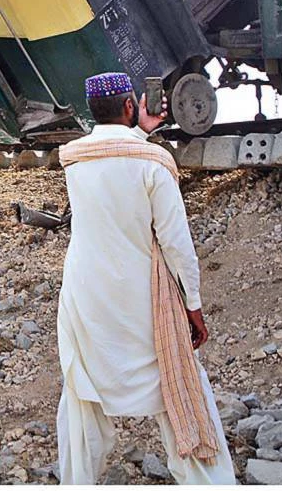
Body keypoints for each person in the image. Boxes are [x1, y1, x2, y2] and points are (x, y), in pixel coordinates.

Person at [55, 72, 233, 485]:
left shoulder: (75, 159)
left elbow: (114, 153)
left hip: (85, 296)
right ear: (131, 106)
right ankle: (207, 478)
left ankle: (77, 480)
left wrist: (140, 131)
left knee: (82, 396)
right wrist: (193, 304)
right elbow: (176, 244)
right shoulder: (152, 163)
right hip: (141, 299)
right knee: (180, 386)